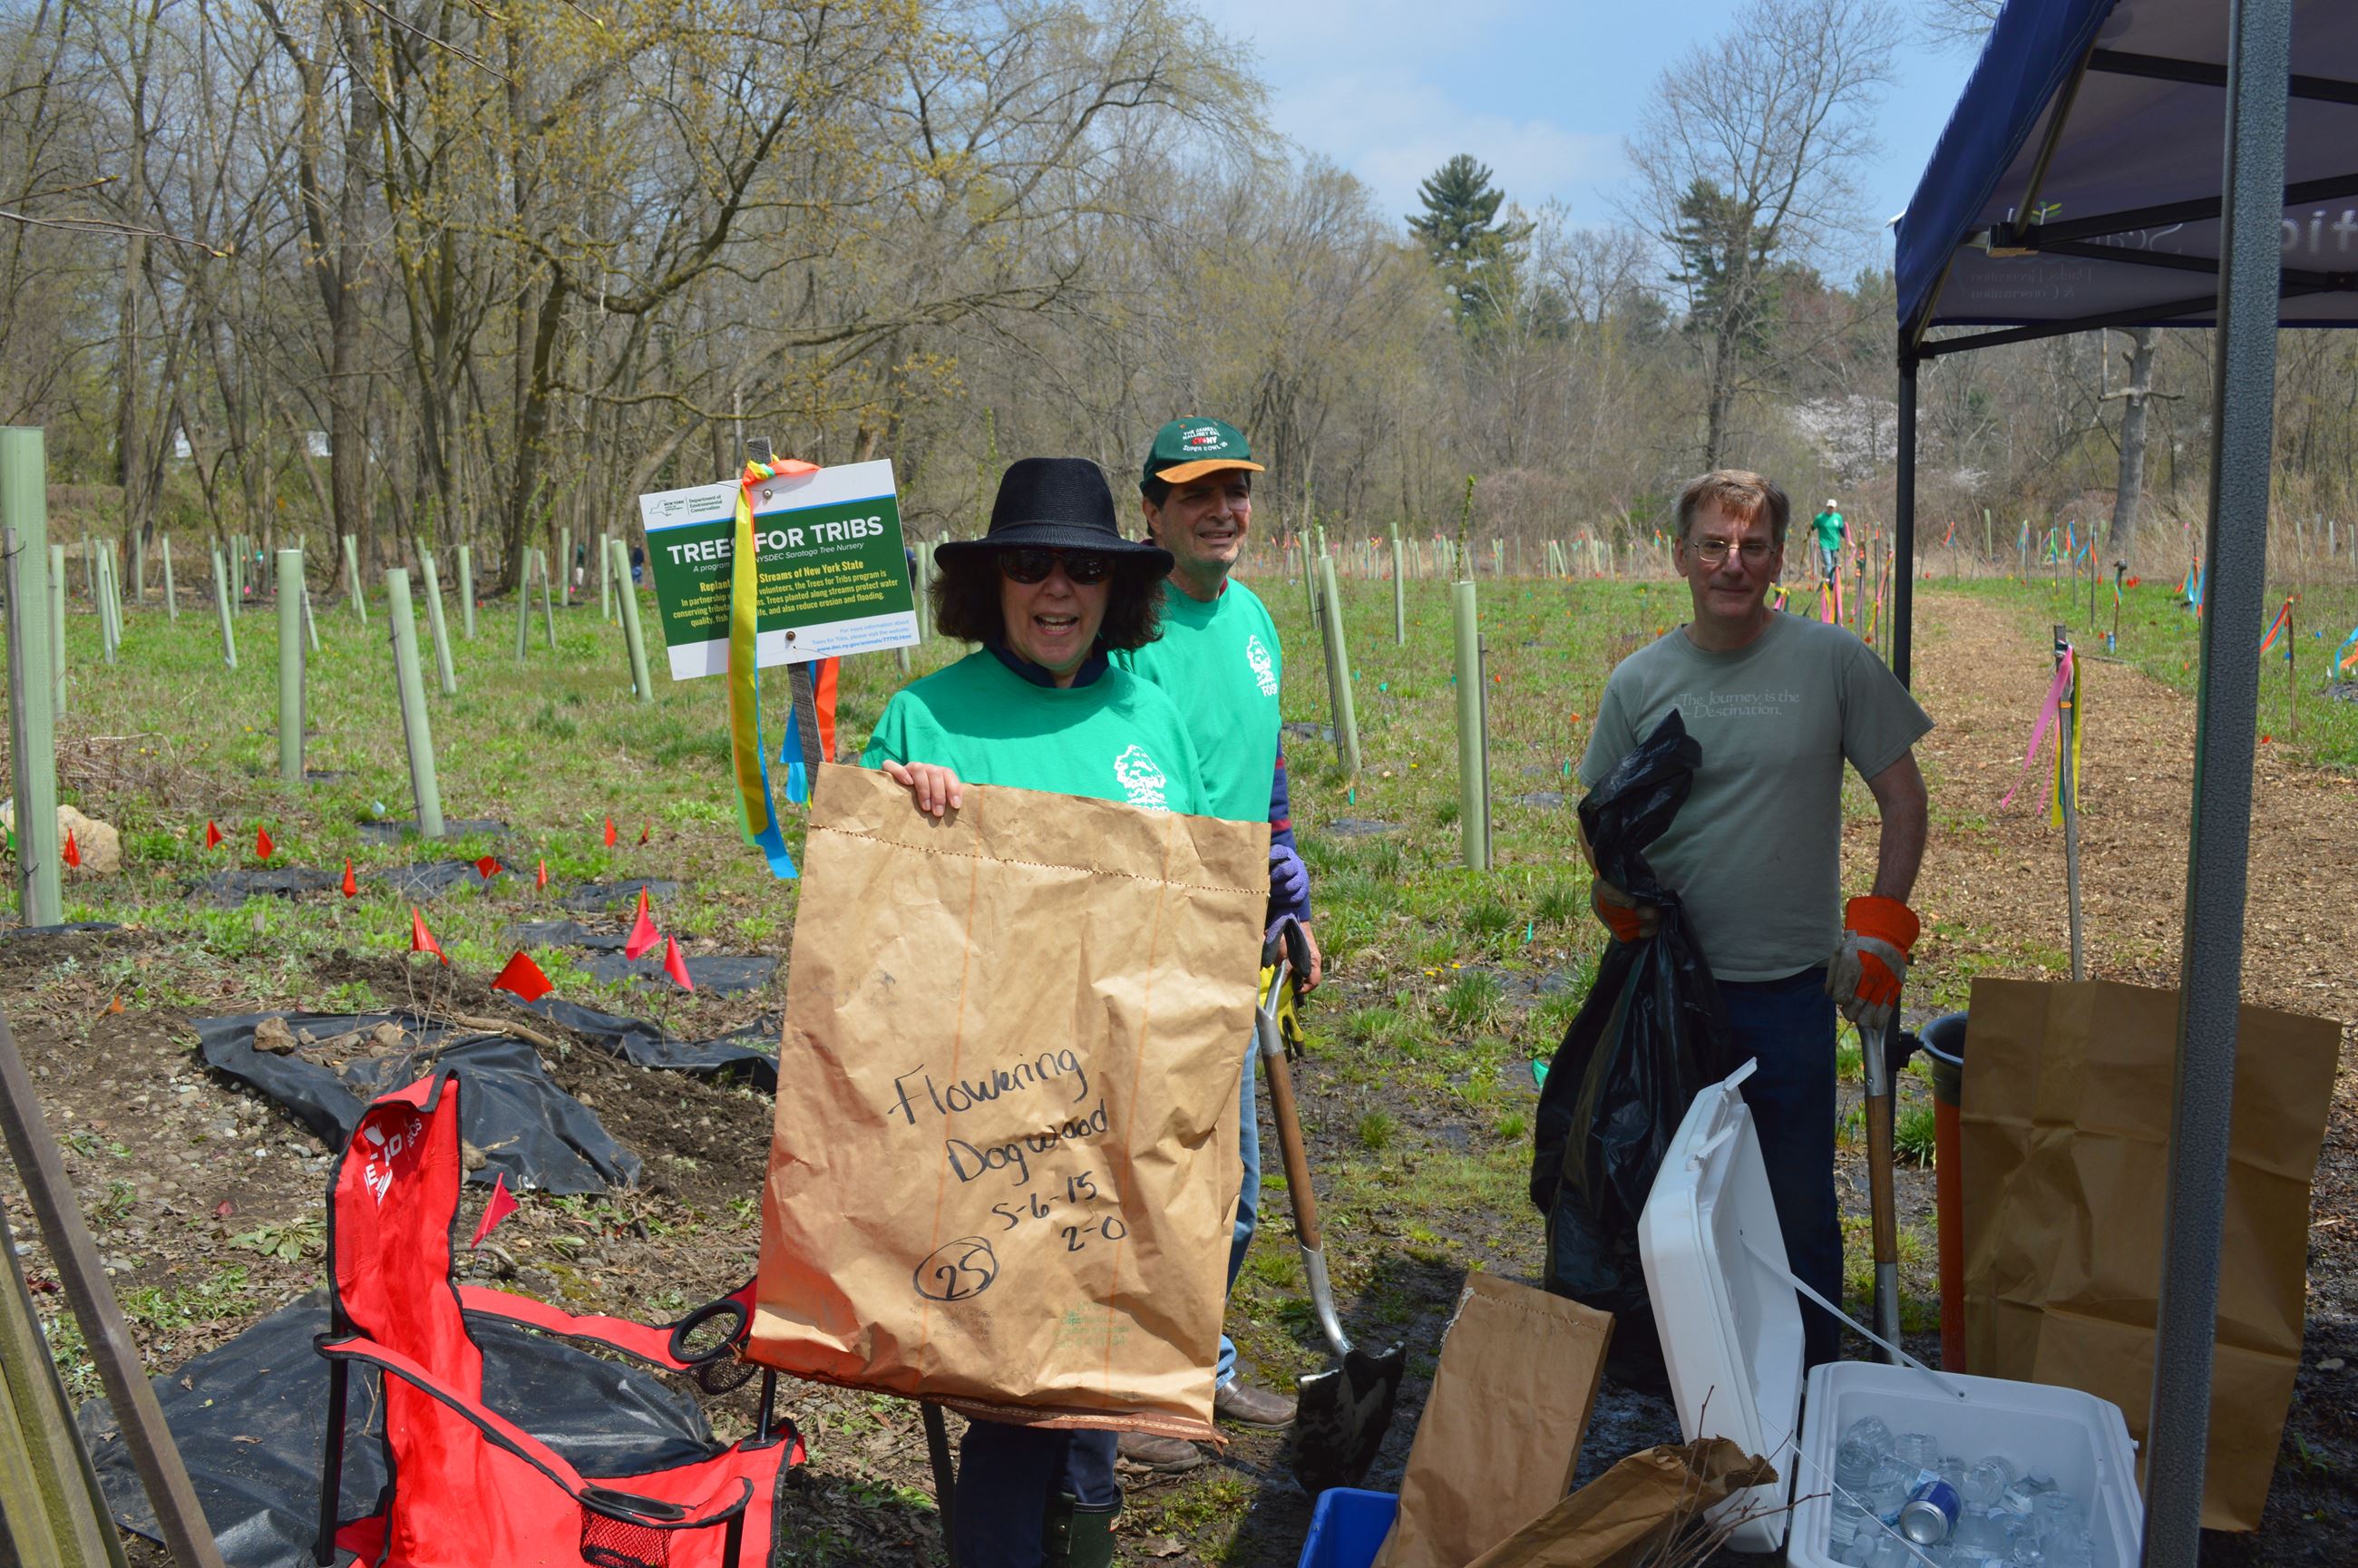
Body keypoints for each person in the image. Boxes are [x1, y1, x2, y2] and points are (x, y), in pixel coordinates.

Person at [863, 455, 1207, 1568]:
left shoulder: (1149, 713)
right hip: (987, 1107)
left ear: (1117, 587)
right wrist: (904, 813)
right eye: (1028, 566)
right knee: (1016, 1394)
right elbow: (857, 928)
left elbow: (1195, 898)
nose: (1055, 590)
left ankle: (1082, 1544)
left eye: (1081, 569)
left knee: (1097, 1359)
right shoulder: (926, 717)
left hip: (1124, 1099)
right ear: (989, 584)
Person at [1577, 470, 1929, 1371]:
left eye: (1751, 546)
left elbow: (1902, 799)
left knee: (1797, 1209)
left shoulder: (1831, 663)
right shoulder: (1638, 681)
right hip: (1670, 1000)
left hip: (1789, 994)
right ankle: (1692, 1389)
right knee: (1673, 1207)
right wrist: (1610, 900)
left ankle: (1810, 1384)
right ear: (1679, 555)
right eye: (1711, 545)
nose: (1730, 565)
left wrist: (1880, 927)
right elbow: (1603, 830)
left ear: (1780, 557)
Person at [1106, 415, 1314, 1475]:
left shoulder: (1254, 621)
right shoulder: (1120, 631)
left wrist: (1284, 881)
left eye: (1234, 489)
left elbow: (1263, 757)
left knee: (1228, 1196)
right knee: (1157, 1179)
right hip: (1142, 938)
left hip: (1233, 931)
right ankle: (1137, 1390)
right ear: (1150, 512)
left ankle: (1198, 1361)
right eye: (1195, 493)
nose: (1222, 509)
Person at [1811, 499, 1846, 584]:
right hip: (1824, 543)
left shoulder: (1838, 518)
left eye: (1832, 508)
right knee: (1828, 563)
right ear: (1827, 507)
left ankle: (1830, 580)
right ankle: (1832, 582)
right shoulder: (1820, 518)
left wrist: (1847, 539)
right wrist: (1807, 534)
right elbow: (1812, 527)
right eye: (1829, 507)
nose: (1830, 509)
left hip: (1835, 544)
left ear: (1835, 508)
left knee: (1834, 564)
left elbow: (1842, 530)